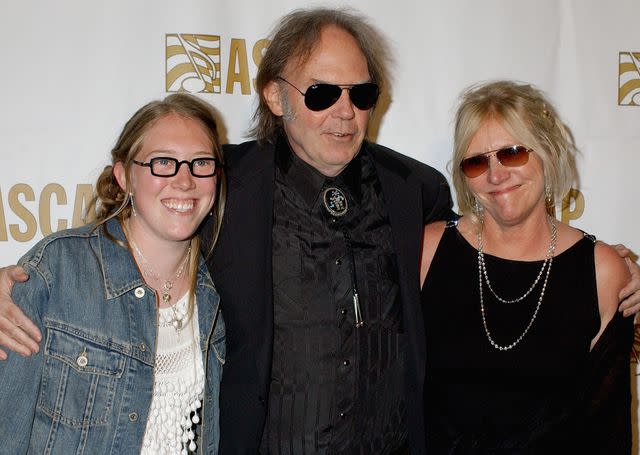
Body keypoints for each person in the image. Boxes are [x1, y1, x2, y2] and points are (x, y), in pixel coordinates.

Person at [1, 8, 640, 455]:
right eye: (321, 93)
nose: (343, 110)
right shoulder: (221, 180)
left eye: (360, 93)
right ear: (276, 97)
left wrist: (619, 272)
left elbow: (502, 262)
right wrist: (20, 284)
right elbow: (130, 240)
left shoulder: (414, 191)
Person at [0, 93, 226, 454]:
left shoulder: (221, 286)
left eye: (200, 163)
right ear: (124, 176)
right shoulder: (59, 270)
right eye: (163, 162)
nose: (185, 181)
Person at [420, 80, 634, 452]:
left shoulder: (602, 271)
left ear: (548, 154)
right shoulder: (428, 251)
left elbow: (607, 432)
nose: (495, 174)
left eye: (513, 153)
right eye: (476, 162)